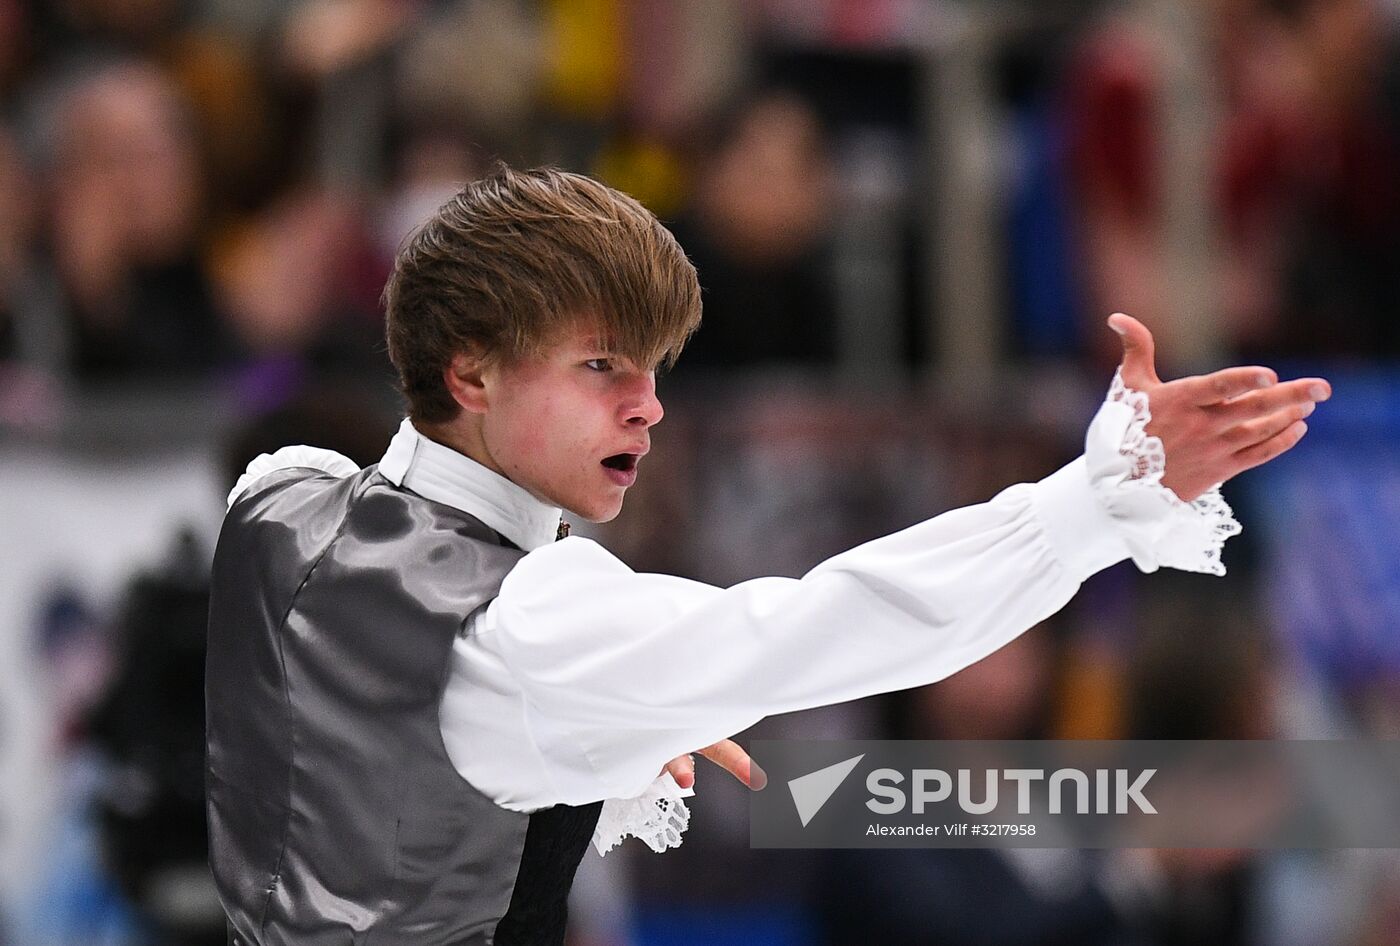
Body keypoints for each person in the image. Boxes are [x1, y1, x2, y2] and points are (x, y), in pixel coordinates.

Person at [205, 165, 1331, 946]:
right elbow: (828, 625)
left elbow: (381, 742)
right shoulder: (538, 627)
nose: (648, 410)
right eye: (601, 366)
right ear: (472, 373)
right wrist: (1095, 501)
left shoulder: (284, 500)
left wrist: (606, 722)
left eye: (653, 371)